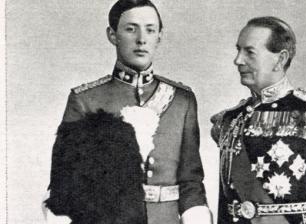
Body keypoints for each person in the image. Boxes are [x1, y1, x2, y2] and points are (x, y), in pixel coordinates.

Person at [44, 0, 211, 223]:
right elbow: (64, 186)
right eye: (131, 29)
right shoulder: (86, 100)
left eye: (150, 30)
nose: (142, 39)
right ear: (112, 35)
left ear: (159, 36)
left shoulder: (182, 100)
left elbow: (191, 182)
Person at [211, 16, 306, 224]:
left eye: (249, 52)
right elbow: (227, 205)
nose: (238, 60)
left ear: (280, 59)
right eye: (238, 50)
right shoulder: (231, 119)